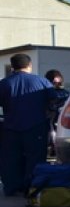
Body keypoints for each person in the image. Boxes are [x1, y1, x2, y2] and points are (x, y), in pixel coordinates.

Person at [0, 54, 59, 196]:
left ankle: (12, 187)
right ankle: (33, 186)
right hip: (36, 127)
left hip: (10, 128)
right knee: (35, 158)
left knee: (11, 159)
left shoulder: (4, 83)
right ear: (30, 65)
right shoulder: (42, 82)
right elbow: (53, 102)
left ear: (12, 66)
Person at [44, 69, 69, 158]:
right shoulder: (66, 93)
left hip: (52, 117)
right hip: (59, 118)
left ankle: (52, 148)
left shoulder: (45, 93)